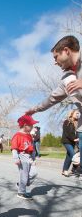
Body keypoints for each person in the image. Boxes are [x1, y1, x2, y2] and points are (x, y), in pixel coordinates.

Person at [26, 35, 82, 174]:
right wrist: (34, 109)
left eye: (56, 57)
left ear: (66, 51)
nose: (55, 62)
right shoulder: (67, 77)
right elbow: (52, 98)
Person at [11, 115, 38, 200]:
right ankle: (21, 192)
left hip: (29, 157)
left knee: (34, 173)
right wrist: (16, 158)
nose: (33, 127)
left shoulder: (29, 135)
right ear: (25, 125)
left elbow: (32, 147)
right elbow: (14, 148)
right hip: (21, 156)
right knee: (24, 175)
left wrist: (33, 157)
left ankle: (21, 184)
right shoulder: (17, 135)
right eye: (31, 125)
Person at [61, 109, 79, 177]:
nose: (78, 115)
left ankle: (64, 170)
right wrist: (74, 139)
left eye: (78, 114)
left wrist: (77, 139)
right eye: (76, 113)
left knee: (68, 156)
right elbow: (67, 133)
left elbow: (77, 133)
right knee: (73, 155)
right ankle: (75, 170)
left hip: (73, 142)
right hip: (66, 141)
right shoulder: (67, 121)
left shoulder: (77, 123)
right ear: (72, 113)